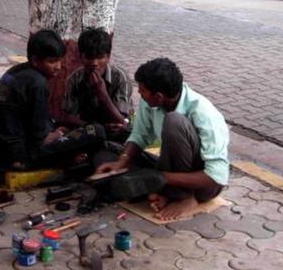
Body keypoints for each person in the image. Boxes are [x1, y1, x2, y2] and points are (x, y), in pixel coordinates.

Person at [96, 58, 229, 221]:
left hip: (203, 186)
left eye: (142, 90)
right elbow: (139, 135)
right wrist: (122, 162)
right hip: (170, 171)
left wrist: (162, 177)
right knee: (104, 154)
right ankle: (166, 192)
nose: (139, 93)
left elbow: (216, 176)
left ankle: (184, 198)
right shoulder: (151, 102)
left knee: (174, 121)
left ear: (159, 96)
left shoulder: (203, 112)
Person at [0, 30, 106, 171]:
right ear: (35, 60)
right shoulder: (38, 83)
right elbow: (41, 139)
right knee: (97, 131)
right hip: (17, 158)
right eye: (52, 61)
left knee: (64, 127)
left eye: (60, 60)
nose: (58, 67)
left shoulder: (16, 71)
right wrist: (57, 134)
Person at [63, 27, 132, 143]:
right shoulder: (74, 79)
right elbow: (69, 117)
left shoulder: (121, 78)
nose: (95, 63)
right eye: (89, 58)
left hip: (116, 134)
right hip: (87, 130)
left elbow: (121, 121)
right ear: (81, 57)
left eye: (100, 57)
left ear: (108, 57)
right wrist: (96, 128)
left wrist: (102, 94)